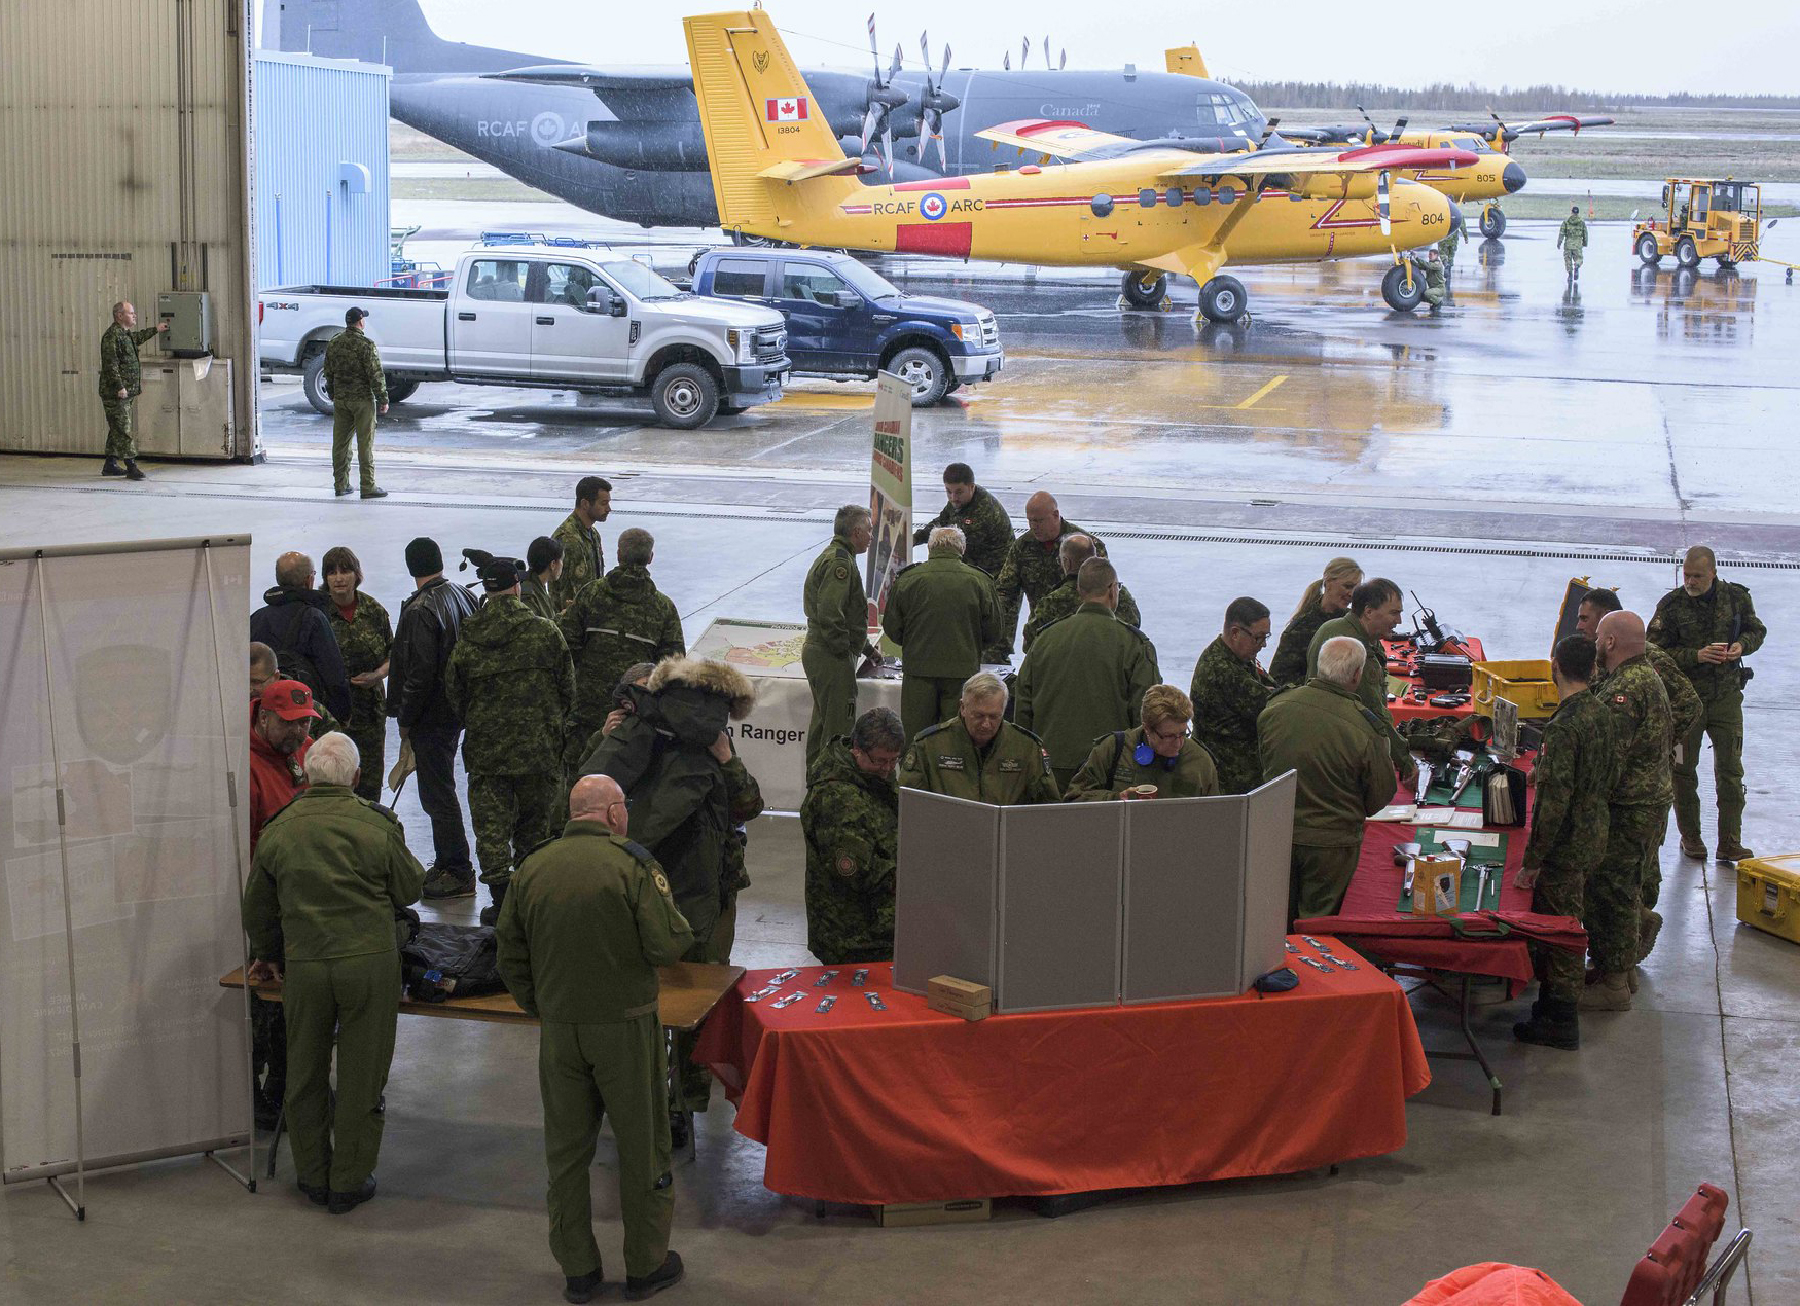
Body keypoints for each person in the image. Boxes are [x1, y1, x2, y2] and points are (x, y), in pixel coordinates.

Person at [494, 775, 691, 1304]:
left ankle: (578, 1270)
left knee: (565, 1152)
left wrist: (542, 1004)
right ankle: (646, 1265)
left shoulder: (532, 868)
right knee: (642, 1148)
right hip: (624, 1026)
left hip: (559, 1029)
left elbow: (508, 953)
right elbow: (669, 944)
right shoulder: (631, 865)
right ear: (611, 814)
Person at [242, 732, 425, 1216]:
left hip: (304, 965)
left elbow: (257, 908)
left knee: (304, 1073)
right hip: (367, 964)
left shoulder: (280, 829)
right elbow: (408, 888)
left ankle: (312, 1176)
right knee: (363, 1075)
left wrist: (268, 952)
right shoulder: (377, 825)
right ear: (357, 777)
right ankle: (348, 1180)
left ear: (308, 774)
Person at [580, 656, 759, 1136]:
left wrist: (606, 738)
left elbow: (579, 799)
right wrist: (728, 759)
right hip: (706, 892)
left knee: (635, 999)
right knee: (697, 997)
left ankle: (629, 1095)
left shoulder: (633, 740)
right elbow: (750, 806)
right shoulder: (710, 742)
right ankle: (684, 1103)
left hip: (635, 885)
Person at [446, 551, 575, 925]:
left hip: (488, 753)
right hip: (539, 751)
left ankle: (502, 903)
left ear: (488, 592)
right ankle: (531, 901)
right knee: (534, 831)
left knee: (491, 829)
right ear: (516, 588)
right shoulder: (545, 632)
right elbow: (568, 689)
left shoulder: (468, 640)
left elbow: (455, 695)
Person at [1512, 635, 1623, 1051]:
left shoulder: (1563, 726)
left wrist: (1533, 859)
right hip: (1595, 830)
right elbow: (1611, 774)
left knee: (1560, 930)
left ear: (1554, 667)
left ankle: (1561, 1018)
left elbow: (1553, 802)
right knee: (1570, 919)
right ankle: (1552, 1005)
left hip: (1567, 843)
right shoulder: (1601, 714)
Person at [1578, 586, 1701, 945]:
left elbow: (1689, 705)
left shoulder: (1647, 660)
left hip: (1640, 791)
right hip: (1636, 788)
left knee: (1632, 873)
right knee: (1628, 871)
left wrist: (1652, 743)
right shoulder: (1606, 663)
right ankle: (1631, 940)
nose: (1580, 625)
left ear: (1607, 627)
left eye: (1586, 619)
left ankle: (1631, 936)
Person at [1258, 636, 1397, 924]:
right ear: (1357, 675)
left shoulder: (1275, 708)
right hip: (1331, 844)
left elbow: (1266, 761)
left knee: (1273, 919)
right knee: (1316, 927)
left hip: (1278, 833)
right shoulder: (1365, 728)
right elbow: (1381, 794)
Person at [1649, 546, 1765, 864]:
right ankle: (1691, 838)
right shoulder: (1671, 606)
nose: (1690, 581)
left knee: (1730, 772)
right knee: (1683, 773)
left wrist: (1742, 646)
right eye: (1687, 574)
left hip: (1726, 699)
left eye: (1697, 576)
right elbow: (1652, 650)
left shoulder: (1736, 598)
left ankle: (1730, 841)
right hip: (1686, 702)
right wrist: (1695, 655)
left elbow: (1757, 629)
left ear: (1713, 573)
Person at [1584, 611, 1673, 1011]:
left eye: (1599, 635)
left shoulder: (1624, 690)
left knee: (1612, 891)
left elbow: (1607, 756)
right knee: (1624, 887)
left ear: (1610, 642)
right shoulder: (1644, 676)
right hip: (1648, 801)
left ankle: (1614, 984)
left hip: (1629, 806)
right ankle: (1619, 970)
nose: (1596, 643)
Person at [1015, 557, 1158, 791]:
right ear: (1113, 591)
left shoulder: (1044, 640)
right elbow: (1146, 712)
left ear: (1080, 591)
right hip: (1109, 768)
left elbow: (1023, 708)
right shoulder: (1134, 644)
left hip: (1051, 766)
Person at [388, 536, 480, 898]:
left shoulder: (419, 610)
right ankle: (448, 861)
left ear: (411, 567)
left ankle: (456, 868)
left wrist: (405, 718)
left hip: (431, 716)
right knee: (442, 790)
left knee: (437, 794)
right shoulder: (464, 595)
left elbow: (420, 673)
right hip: (457, 709)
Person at [560, 528, 685, 783]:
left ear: (618, 555)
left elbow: (566, 645)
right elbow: (673, 665)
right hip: (635, 713)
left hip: (587, 710)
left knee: (580, 777)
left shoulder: (590, 595)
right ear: (650, 557)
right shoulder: (662, 607)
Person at [801, 707, 903, 963]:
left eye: (894, 760)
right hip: (851, 934)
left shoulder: (870, 776)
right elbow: (855, 869)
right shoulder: (836, 797)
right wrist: (913, 883)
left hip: (878, 926)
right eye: (880, 760)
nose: (887, 769)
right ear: (856, 748)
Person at [881, 526, 1000, 742]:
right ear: (962, 549)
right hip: (962, 673)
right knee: (957, 739)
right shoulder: (980, 582)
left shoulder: (908, 580)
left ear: (929, 548)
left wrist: (913, 644)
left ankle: (916, 775)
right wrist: (970, 645)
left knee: (916, 739)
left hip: (918, 672)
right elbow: (994, 632)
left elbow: (892, 628)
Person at [1306, 577, 1415, 780]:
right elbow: (1373, 714)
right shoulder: (1356, 649)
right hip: (1341, 754)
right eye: (1394, 613)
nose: (1399, 621)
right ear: (1368, 611)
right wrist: (1405, 761)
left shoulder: (1333, 628)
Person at [900, 671, 1060, 804]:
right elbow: (907, 805)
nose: (986, 724)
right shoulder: (929, 746)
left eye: (994, 717)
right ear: (962, 707)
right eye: (978, 715)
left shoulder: (1026, 747)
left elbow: (1048, 809)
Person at [991, 492, 1105, 660]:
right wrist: (996, 644)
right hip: (1042, 632)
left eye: (1038, 521)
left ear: (1056, 515)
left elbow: (1102, 592)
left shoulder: (1087, 546)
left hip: (1081, 634)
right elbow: (1006, 593)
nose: (1033, 526)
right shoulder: (1022, 547)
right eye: (1030, 520)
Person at [801, 506, 874, 768]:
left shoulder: (837, 556)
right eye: (869, 530)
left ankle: (817, 787)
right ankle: (831, 789)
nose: (871, 536)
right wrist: (844, 652)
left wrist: (866, 649)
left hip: (823, 651)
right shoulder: (840, 563)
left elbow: (847, 618)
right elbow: (831, 614)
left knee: (823, 727)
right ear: (856, 532)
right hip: (830, 655)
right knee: (838, 731)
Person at [319, 547, 392, 803]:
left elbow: (392, 655)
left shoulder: (374, 610)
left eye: (345, 571)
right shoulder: (318, 613)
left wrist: (377, 675)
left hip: (370, 714)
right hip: (331, 716)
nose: (339, 578)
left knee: (370, 786)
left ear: (356, 574)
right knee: (332, 782)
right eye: (332, 572)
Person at [1064, 684, 1219, 801]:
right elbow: (1074, 797)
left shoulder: (1200, 761)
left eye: (1183, 733)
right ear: (1147, 728)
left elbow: (1216, 818)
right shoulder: (1114, 750)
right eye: (1169, 736)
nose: (1178, 743)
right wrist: (1118, 799)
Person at [251, 552, 353, 723]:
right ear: (309, 580)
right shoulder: (314, 618)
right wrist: (343, 715)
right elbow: (333, 674)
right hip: (302, 715)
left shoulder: (255, 619)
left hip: (263, 715)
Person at [1189, 597, 1278, 794]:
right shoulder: (1221, 668)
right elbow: (1273, 707)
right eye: (1258, 637)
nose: (1263, 645)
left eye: (1266, 636)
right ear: (1235, 633)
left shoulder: (1238, 658)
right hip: (1228, 780)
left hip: (1242, 774)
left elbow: (1272, 691)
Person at [1020, 533, 1143, 654]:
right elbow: (1135, 625)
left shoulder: (1054, 600)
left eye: (1060, 561)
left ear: (1066, 562)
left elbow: (1030, 643)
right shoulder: (1118, 592)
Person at [97, 300, 168, 480]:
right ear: (119, 316)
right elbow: (110, 365)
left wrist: (156, 329)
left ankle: (110, 464)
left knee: (117, 427)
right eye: (131, 313)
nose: (134, 316)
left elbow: (137, 337)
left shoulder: (125, 334)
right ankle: (131, 465)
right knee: (123, 428)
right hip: (116, 392)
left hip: (127, 391)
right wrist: (120, 387)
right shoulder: (112, 336)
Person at [323, 307, 389, 499]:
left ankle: (341, 485)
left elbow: (328, 371)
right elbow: (375, 374)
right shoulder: (366, 344)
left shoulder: (334, 343)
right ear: (360, 322)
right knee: (364, 444)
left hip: (342, 401)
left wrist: (334, 394)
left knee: (340, 445)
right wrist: (383, 398)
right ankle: (367, 486)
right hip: (362, 402)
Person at [910, 463, 1013, 577]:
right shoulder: (961, 500)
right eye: (948, 491)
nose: (953, 498)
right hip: (977, 571)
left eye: (959, 492)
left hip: (995, 578)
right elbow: (942, 522)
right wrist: (915, 538)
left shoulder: (983, 511)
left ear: (971, 487)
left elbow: (955, 549)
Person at [1270, 557, 1361, 686]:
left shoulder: (1353, 621)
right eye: (1347, 586)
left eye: (1356, 589)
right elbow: (1278, 680)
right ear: (1328, 582)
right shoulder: (1300, 629)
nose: (1352, 594)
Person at [551, 476, 612, 612]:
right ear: (585, 504)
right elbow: (563, 592)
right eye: (603, 503)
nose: (608, 509)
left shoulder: (593, 535)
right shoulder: (567, 539)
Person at [522, 536, 564, 624]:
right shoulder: (528, 594)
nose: (562, 565)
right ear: (553, 564)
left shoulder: (538, 585)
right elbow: (534, 627)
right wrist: (563, 616)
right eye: (561, 560)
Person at [1557, 205, 1588, 281]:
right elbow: (1585, 234)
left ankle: (1570, 274)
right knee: (1579, 258)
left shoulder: (1566, 222)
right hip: (1577, 244)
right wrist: (1585, 243)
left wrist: (1559, 243)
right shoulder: (1581, 222)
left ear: (1571, 212)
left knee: (1568, 260)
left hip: (1568, 244)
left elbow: (1561, 233)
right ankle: (1577, 266)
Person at [1420, 249, 1447, 315]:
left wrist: (1416, 258)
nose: (1429, 256)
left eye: (1431, 254)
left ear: (1436, 255)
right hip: (1433, 288)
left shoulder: (1437, 264)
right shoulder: (1431, 264)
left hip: (1440, 289)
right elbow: (1420, 266)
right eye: (1429, 254)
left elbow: (1427, 265)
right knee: (1420, 296)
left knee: (1427, 293)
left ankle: (1438, 302)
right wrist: (1411, 260)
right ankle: (1435, 303)